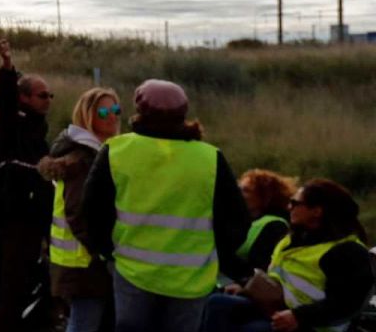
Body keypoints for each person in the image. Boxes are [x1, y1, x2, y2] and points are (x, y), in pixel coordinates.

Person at [82, 79, 248, 332]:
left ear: (140, 111)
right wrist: (215, 256)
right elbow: (237, 220)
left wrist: (108, 253)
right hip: (191, 280)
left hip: (133, 273)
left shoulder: (117, 151)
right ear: (183, 113)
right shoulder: (209, 157)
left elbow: (92, 210)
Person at [202, 179, 374, 332]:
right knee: (217, 304)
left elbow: (346, 304)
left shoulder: (348, 252)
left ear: (317, 211)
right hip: (276, 309)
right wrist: (246, 288)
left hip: (313, 324)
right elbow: (279, 279)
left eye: (295, 203)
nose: (289, 207)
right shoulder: (293, 239)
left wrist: (298, 317)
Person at [38, 87, 120, 332]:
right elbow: (78, 212)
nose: (112, 116)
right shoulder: (83, 159)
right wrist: (104, 251)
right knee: (84, 323)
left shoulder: (101, 151)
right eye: (103, 112)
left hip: (83, 260)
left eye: (116, 110)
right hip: (84, 261)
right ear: (87, 115)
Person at [0, 38, 54, 331]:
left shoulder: (39, 125)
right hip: (15, 211)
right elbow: (6, 97)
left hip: (36, 211)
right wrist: (7, 64)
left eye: (50, 95)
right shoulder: (11, 121)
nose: (48, 100)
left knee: (29, 274)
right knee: (13, 278)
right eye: (42, 95)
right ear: (24, 98)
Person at [220, 169, 295, 282]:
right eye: (238, 189)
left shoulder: (275, 226)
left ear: (266, 196)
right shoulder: (238, 219)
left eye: (246, 190)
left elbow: (261, 267)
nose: (238, 194)